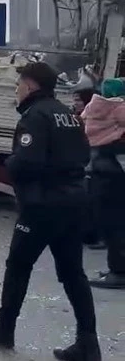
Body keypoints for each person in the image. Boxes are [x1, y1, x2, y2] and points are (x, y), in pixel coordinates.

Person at [0, 61, 101, 361]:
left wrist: (11, 162)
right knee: (73, 274)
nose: (16, 90)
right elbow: (84, 154)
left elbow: (27, 162)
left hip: (42, 205)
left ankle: (5, 327)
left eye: (18, 84)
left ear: (30, 86)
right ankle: (89, 344)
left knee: (18, 265)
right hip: (73, 202)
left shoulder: (35, 116)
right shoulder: (68, 114)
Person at [80, 77, 125, 290]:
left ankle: (118, 270)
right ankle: (119, 270)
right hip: (112, 169)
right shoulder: (118, 109)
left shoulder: (94, 108)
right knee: (117, 224)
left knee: (112, 223)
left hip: (101, 167)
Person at [72, 87, 105, 249]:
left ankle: (92, 235)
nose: (75, 103)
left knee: (91, 201)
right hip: (84, 164)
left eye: (78, 99)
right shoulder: (78, 116)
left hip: (91, 165)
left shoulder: (93, 117)